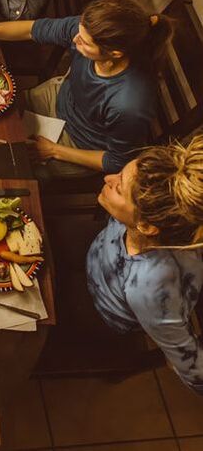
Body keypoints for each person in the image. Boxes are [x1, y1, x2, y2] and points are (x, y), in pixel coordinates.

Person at [0, 0, 172, 178]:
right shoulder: (87, 30)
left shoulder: (129, 104)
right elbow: (32, 29)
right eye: (79, 31)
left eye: (84, 42)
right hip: (59, 96)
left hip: (79, 144)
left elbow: (118, 161)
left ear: (115, 53)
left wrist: (54, 151)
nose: (74, 40)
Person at [87, 136, 203, 393]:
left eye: (118, 187)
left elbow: (195, 370)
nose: (108, 179)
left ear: (147, 227)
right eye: (119, 173)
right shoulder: (164, 214)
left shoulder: (150, 289)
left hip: (106, 310)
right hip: (101, 259)